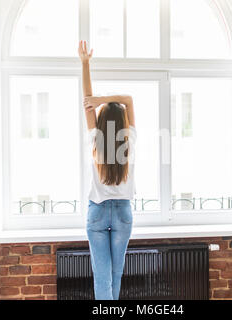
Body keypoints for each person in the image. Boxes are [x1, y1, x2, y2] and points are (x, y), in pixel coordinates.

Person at [78, 40, 137, 300]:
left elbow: (87, 101)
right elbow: (128, 100)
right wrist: (105, 99)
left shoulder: (95, 140)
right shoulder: (130, 139)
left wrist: (85, 63)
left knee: (102, 279)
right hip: (123, 211)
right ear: (122, 121)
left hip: (98, 211)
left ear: (101, 122)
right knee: (116, 275)